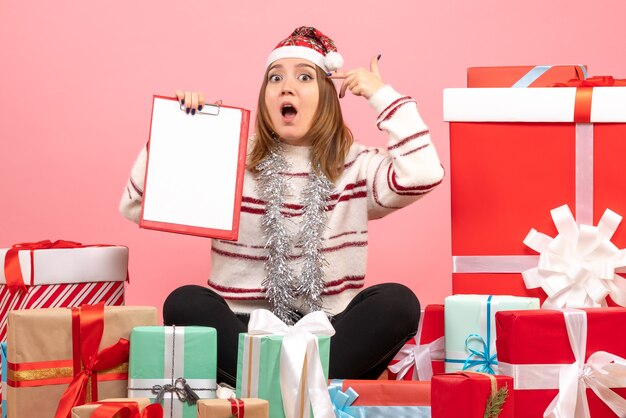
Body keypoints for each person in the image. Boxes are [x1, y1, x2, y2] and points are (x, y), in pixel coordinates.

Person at [120, 26, 444, 387]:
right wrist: (179, 131)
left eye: (304, 77)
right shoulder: (231, 157)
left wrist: (382, 96)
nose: (286, 87)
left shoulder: (356, 165)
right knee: (185, 302)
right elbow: (136, 204)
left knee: (398, 302)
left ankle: (273, 391)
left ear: (326, 96)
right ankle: (304, 392)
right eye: (275, 78)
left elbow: (424, 174)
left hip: (328, 332)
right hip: (244, 330)